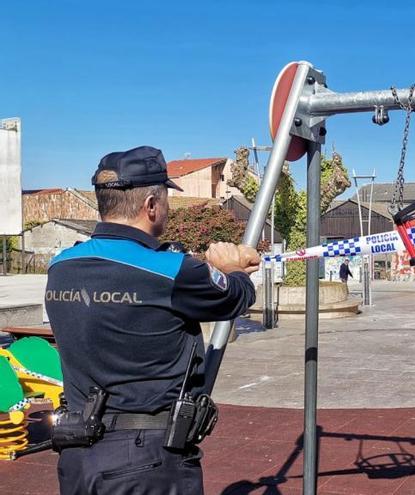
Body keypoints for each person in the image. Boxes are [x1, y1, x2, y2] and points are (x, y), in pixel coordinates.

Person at [45, 146, 260, 495]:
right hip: (145, 461)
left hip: (79, 454)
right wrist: (234, 268)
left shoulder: (61, 266)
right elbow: (237, 297)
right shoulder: (173, 271)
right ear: (150, 206)